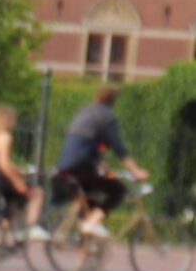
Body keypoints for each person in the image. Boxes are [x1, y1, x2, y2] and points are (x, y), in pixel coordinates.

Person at [50, 84, 147, 237]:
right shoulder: (106, 116)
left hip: (64, 167)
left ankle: (85, 246)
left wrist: (106, 169)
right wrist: (135, 170)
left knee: (90, 203)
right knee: (118, 189)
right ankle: (91, 224)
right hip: (82, 168)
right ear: (113, 101)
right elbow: (117, 147)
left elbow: (89, 148)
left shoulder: (84, 112)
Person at [0, 102, 45, 237]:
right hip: (1, 180)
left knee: (14, 202)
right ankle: (30, 229)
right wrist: (17, 181)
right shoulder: (5, 137)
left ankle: (2, 239)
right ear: (7, 120)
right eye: (13, 118)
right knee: (37, 193)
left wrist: (18, 170)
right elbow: (3, 164)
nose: (15, 121)